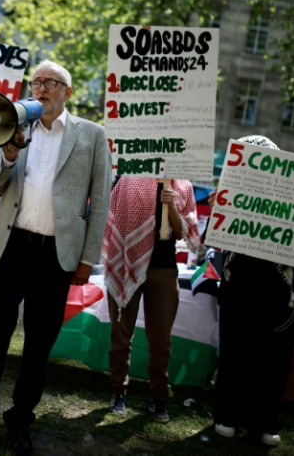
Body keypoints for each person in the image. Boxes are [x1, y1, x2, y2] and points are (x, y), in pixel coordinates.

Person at [0, 60, 111, 455]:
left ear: (67, 92)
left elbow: (101, 201)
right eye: (36, 82)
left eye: (50, 83)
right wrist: (7, 153)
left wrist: (88, 259)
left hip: (56, 255)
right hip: (12, 247)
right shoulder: (13, 128)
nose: (40, 89)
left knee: (38, 344)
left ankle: (20, 418)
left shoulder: (92, 135)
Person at [210, 135, 294, 447]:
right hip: (241, 287)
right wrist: (219, 207)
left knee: (274, 360)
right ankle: (228, 417)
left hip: (280, 292)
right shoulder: (231, 194)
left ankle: (264, 421)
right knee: (236, 354)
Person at [101, 177, 201, 422]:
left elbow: (184, 234)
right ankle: (118, 393)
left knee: (161, 341)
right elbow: (112, 218)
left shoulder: (183, 187)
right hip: (128, 264)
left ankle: (158, 398)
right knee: (121, 333)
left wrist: (174, 210)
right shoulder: (128, 181)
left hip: (164, 269)